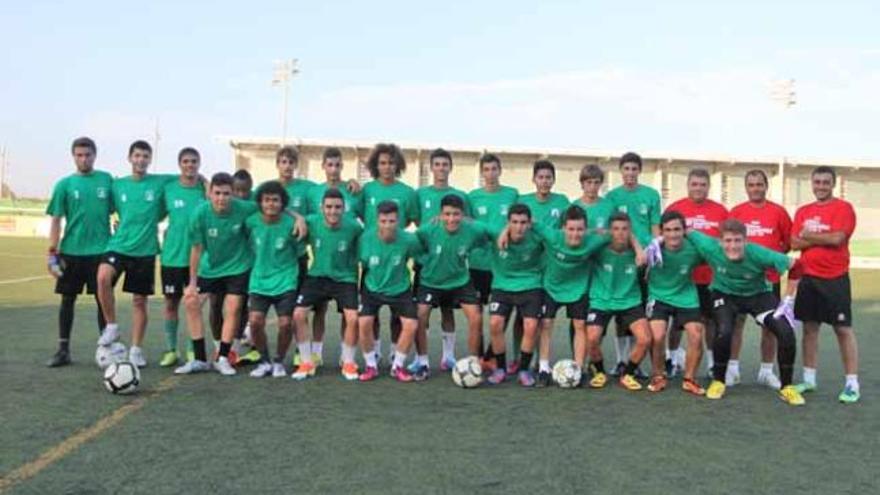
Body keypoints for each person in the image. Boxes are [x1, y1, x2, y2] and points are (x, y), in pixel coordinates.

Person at [683, 220, 805, 405]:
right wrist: (656, 241)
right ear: (720, 241)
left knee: (786, 331)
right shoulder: (709, 246)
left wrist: (787, 300)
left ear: (745, 241)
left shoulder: (758, 253)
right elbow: (685, 229)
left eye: (737, 241)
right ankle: (719, 381)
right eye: (728, 241)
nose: (732, 246)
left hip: (758, 296)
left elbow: (797, 266)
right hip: (725, 294)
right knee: (724, 331)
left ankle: (787, 387)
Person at [173, 173, 260, 376]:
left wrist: (298, 217)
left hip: (238, 267)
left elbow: (273, 207)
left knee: (233, 308)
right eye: (218, 193)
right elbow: (195, 249)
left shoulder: (244, 208)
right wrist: (192, 283)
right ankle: (200, 359)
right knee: (191, 302)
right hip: (210, 268)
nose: (222, 198)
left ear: (233, 194)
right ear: (210, 193)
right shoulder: (200, 214)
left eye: (226, 194)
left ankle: (223, 358)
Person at [95, 140, 171, 367]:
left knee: (139, 301)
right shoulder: (117, 185)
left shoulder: (160, 182)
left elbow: (189, 177)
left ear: (150, 160)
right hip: (118, 245)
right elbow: (103, 207)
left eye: (145, 156)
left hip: (145, 249)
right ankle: (112, 326)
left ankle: (136, 349)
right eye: (137, 156)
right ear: (129, 158)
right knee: (102, 277)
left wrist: (206, 183)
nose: (141, 160)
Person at [791, 166, 860, 403]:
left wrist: (808, 236)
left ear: (833, 184)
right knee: (810, 329)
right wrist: (820, 238)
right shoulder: (803, 211)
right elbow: (793, 242)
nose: (820, 186)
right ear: (812, 183)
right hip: (809, 278)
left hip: (835, 278)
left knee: (842, 329)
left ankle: (852, 383)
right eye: (817, 182)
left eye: (825, 182)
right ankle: (809, 379)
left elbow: (838, 238)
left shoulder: (844, 208)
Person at [45, 137, 113, 367]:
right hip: (71, 251)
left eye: (88, 155)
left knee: (102, 300)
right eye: (79, 155)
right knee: (67, 300)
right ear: (73, 156)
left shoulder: (106, 180)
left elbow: (120, 210)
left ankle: (106, 349)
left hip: (101, 251)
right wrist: (52, 253)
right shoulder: (64, 185)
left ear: (95, 155)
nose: (84, 159)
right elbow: (56, 220)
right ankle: (63, 350)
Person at [727, 169, 790, 389]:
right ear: (746, 188)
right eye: (751, 185)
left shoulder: (779, 212)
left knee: (769, 326)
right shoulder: (736, 212)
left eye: (759, 184)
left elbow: (786, 243)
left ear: (766, 186)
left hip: (767, 280)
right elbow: (727, 242)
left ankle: (766, 371)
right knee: (737, 323)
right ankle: (732, 370)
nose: (755, 188)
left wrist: (770, 260)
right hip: (739, 280)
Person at [293, 187, 363, 381]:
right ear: (321, 208)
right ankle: (307, 361)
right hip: (317, 276)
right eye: (329, 207)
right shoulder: (312, 222)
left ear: (344, 209)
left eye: (338, 207)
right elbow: (283, 212)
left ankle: (348, 361)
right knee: (298, 314)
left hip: (345, 278)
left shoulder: (354, 227)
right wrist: (297, 217)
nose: (333, 211)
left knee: (353, 318)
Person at [412, 194, 486, 379]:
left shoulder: (473, 229)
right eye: (447, 214)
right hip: (431, 282)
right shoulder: (428, 229)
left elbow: (489, 236)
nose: (451, 219)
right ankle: (422, 362)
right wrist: (424, 260)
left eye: (456, 214)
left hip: (460, 281)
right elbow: (412, 245)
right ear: (440, 214)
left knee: (476, 317)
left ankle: (473, 362)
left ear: (463, 215)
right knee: (420, 316)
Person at [535, 206, 609, 387]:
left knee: (580, 325)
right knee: (545, 323)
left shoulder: (593, 240)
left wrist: (639, 249)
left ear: (586, 229)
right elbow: (530, 223)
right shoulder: (552, 236)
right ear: (563, 229)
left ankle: (579, 368)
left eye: (580, 229)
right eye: (571, 229)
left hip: (578, 289)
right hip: (551, 287)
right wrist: (505, 232)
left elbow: (620, 232)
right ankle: (543, 368)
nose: (575, 234)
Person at [665, 168, 728, 378]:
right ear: (688, 185)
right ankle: (671, 360)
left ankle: (711, 364)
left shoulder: (720, 211)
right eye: (694, 184)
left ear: (708, 187)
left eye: (702, 184)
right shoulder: (676, 208)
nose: (698, 188)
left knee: (709, 321)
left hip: (710, 277)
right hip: (681, 277)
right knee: (677, 322)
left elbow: (726, 242)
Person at [360, 143, 419, 365]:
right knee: (370, 313)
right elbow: (355, 214)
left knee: (398, 313)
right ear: (376, 165)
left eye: (391, 163)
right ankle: (374, 351)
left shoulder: (407, 192)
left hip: (396, 255)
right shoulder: (367, 190)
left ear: (398, 165)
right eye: (382, 163)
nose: (387, 167)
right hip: (372, 256)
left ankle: (396, 351)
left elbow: (414, 219)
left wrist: (398, 236)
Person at [509, 159, 569, 374]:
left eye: (548, 178)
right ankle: (519, 357)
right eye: (541, 177)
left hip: (552, 266)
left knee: (541, 317)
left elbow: (566, 230)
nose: (544, 181)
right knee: (522, 316)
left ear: (553, 180)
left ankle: (538, 360)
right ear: (534, 179)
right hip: (528, 267)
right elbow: (512, 225)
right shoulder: (522, 200)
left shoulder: (562, 202)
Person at [414, 148, 471, 371]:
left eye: (444, 164)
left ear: (450, 167)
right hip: (426, 262)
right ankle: (421, 358)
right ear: (431, 168)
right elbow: (414, 221)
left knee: (448, 310)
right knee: (423, 311)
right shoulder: (420, 194)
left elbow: (468, 222)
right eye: (437, 164)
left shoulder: (460, 196)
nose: (441, 168)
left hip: (451, 263)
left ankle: (448, 357)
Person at [305, 147, 364, 364]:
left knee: (347, 314)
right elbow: (306, 220)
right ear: (323, 166)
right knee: (319, 310)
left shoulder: (353, 190)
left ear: (342, 166)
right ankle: (316, 353)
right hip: (321, 262)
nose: (333, 169)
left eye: (337, 165)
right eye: (329, 164)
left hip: (346, 266)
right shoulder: (313, 192)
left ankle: (344, 355)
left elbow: (364, 222)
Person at [605, 152, 661, 376]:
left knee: (643, 314)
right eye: (626, 169)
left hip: (645, 261)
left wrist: (654, 254)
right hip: (622, 261)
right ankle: (621, 360)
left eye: (634, 169)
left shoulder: (651, 195)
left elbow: (656, 228)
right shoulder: (612, 197)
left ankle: (637, 363)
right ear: (621, 171)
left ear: (640, 171)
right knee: (622, 313)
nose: (630, 173)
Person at [356, 201, 424, 382]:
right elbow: (359, 263)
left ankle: (398, 366)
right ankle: (371, 365)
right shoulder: (365, 239)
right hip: (372, 287)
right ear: (377, 221)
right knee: (363, 323)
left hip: (400, 288)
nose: (387, 225)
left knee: (411, 325)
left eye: (392, 221)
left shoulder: (409, 239)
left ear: (399, 221)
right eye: (384, 221)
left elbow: (421, 257)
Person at [584, 213, 650, 391]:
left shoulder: (640, 249)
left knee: (645, 339)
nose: (620, 233)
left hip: (630, 300)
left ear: (630, 231)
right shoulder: (599, 247)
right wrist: (599, 232)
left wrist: (637, 246)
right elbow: (578, 234)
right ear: (609, 231)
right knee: (591, 338)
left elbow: (659, 242)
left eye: (625, 229)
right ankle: (598, 371)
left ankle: (628, 373)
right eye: (615, 229)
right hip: (601, 300)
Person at [246, 181, 305, 379]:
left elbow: (300, 253)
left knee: (286, 323)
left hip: (285, 280)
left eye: (275, 200)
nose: (271, 204)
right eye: (267, 200)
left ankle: (279, 360)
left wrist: (297, 217)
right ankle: (264, 361)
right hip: (259, 280)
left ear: (282, 203)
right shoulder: (251, 222)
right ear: (260, 202)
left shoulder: (292, 225)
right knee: (255, 321)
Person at [644, 211, 706, 395]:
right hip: (659, 296)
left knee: (696, 334)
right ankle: (658, 376)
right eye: (668, 230)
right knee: (658, 335)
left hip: (686, 296)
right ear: (662, 232)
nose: (673, 234)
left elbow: (715, 251)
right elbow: (637, 257)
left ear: (684, 230)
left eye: (677, 229)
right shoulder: (653, 248)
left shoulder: (693, 249)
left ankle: (689, 379)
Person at [484, 204, 545, 387]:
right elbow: (472, 225)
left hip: (531, 285)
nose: (519, 227)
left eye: (523, 222)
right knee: (495, 323)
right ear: (508, 223)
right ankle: (500, 368)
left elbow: (559, 236)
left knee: (531, 325)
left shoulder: (538, 237)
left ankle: (524, 369)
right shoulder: (496, 233)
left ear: (529, 223)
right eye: (515, 222)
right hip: (502, 286)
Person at [466, 153, 518, 364]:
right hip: (478, 263)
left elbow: (516, 220)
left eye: (494, 169)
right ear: (482, 173)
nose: (490, 174)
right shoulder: (472, 197)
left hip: (502, 265)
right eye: (486, 170)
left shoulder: (512, 194)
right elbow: (468, 223)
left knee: (500, 316)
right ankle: (478, 357)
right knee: (476, 314)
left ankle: (491, 356)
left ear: (500, 170)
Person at [158, 147, 206, 367]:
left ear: (199, 164)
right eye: (186, 161)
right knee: (171, 304)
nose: (190, 165)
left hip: (196, 259)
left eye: (194, 161)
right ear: (180, 164)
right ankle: (171, 350)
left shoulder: (204, 191)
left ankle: (191, 349)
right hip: (171, 257)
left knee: (193, 304)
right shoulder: (169, 189)